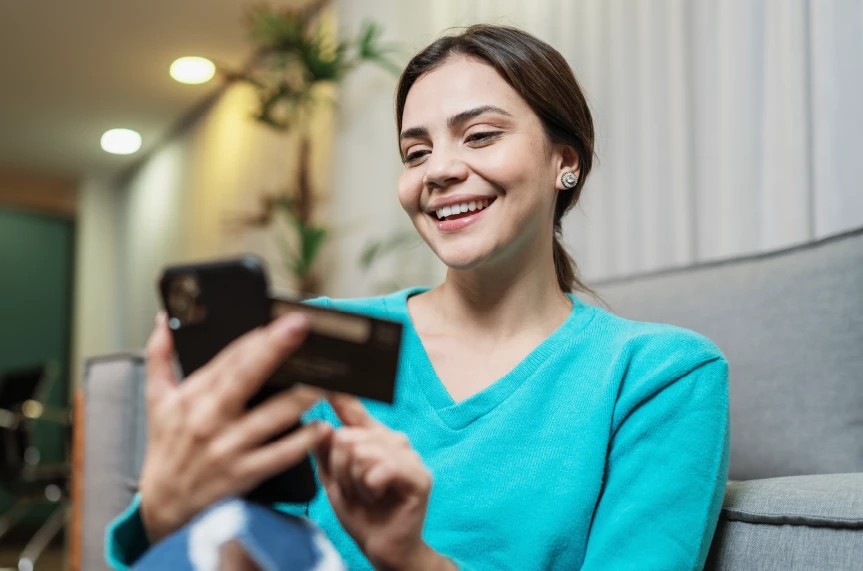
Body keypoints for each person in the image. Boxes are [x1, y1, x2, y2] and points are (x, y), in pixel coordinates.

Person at [107, 24, 729, 570]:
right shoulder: (312, 339)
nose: (437, 170)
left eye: (480, 136)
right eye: (416, 151)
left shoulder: (659, 375)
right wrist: (164, 512)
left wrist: (412, 561)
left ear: (564, 160)